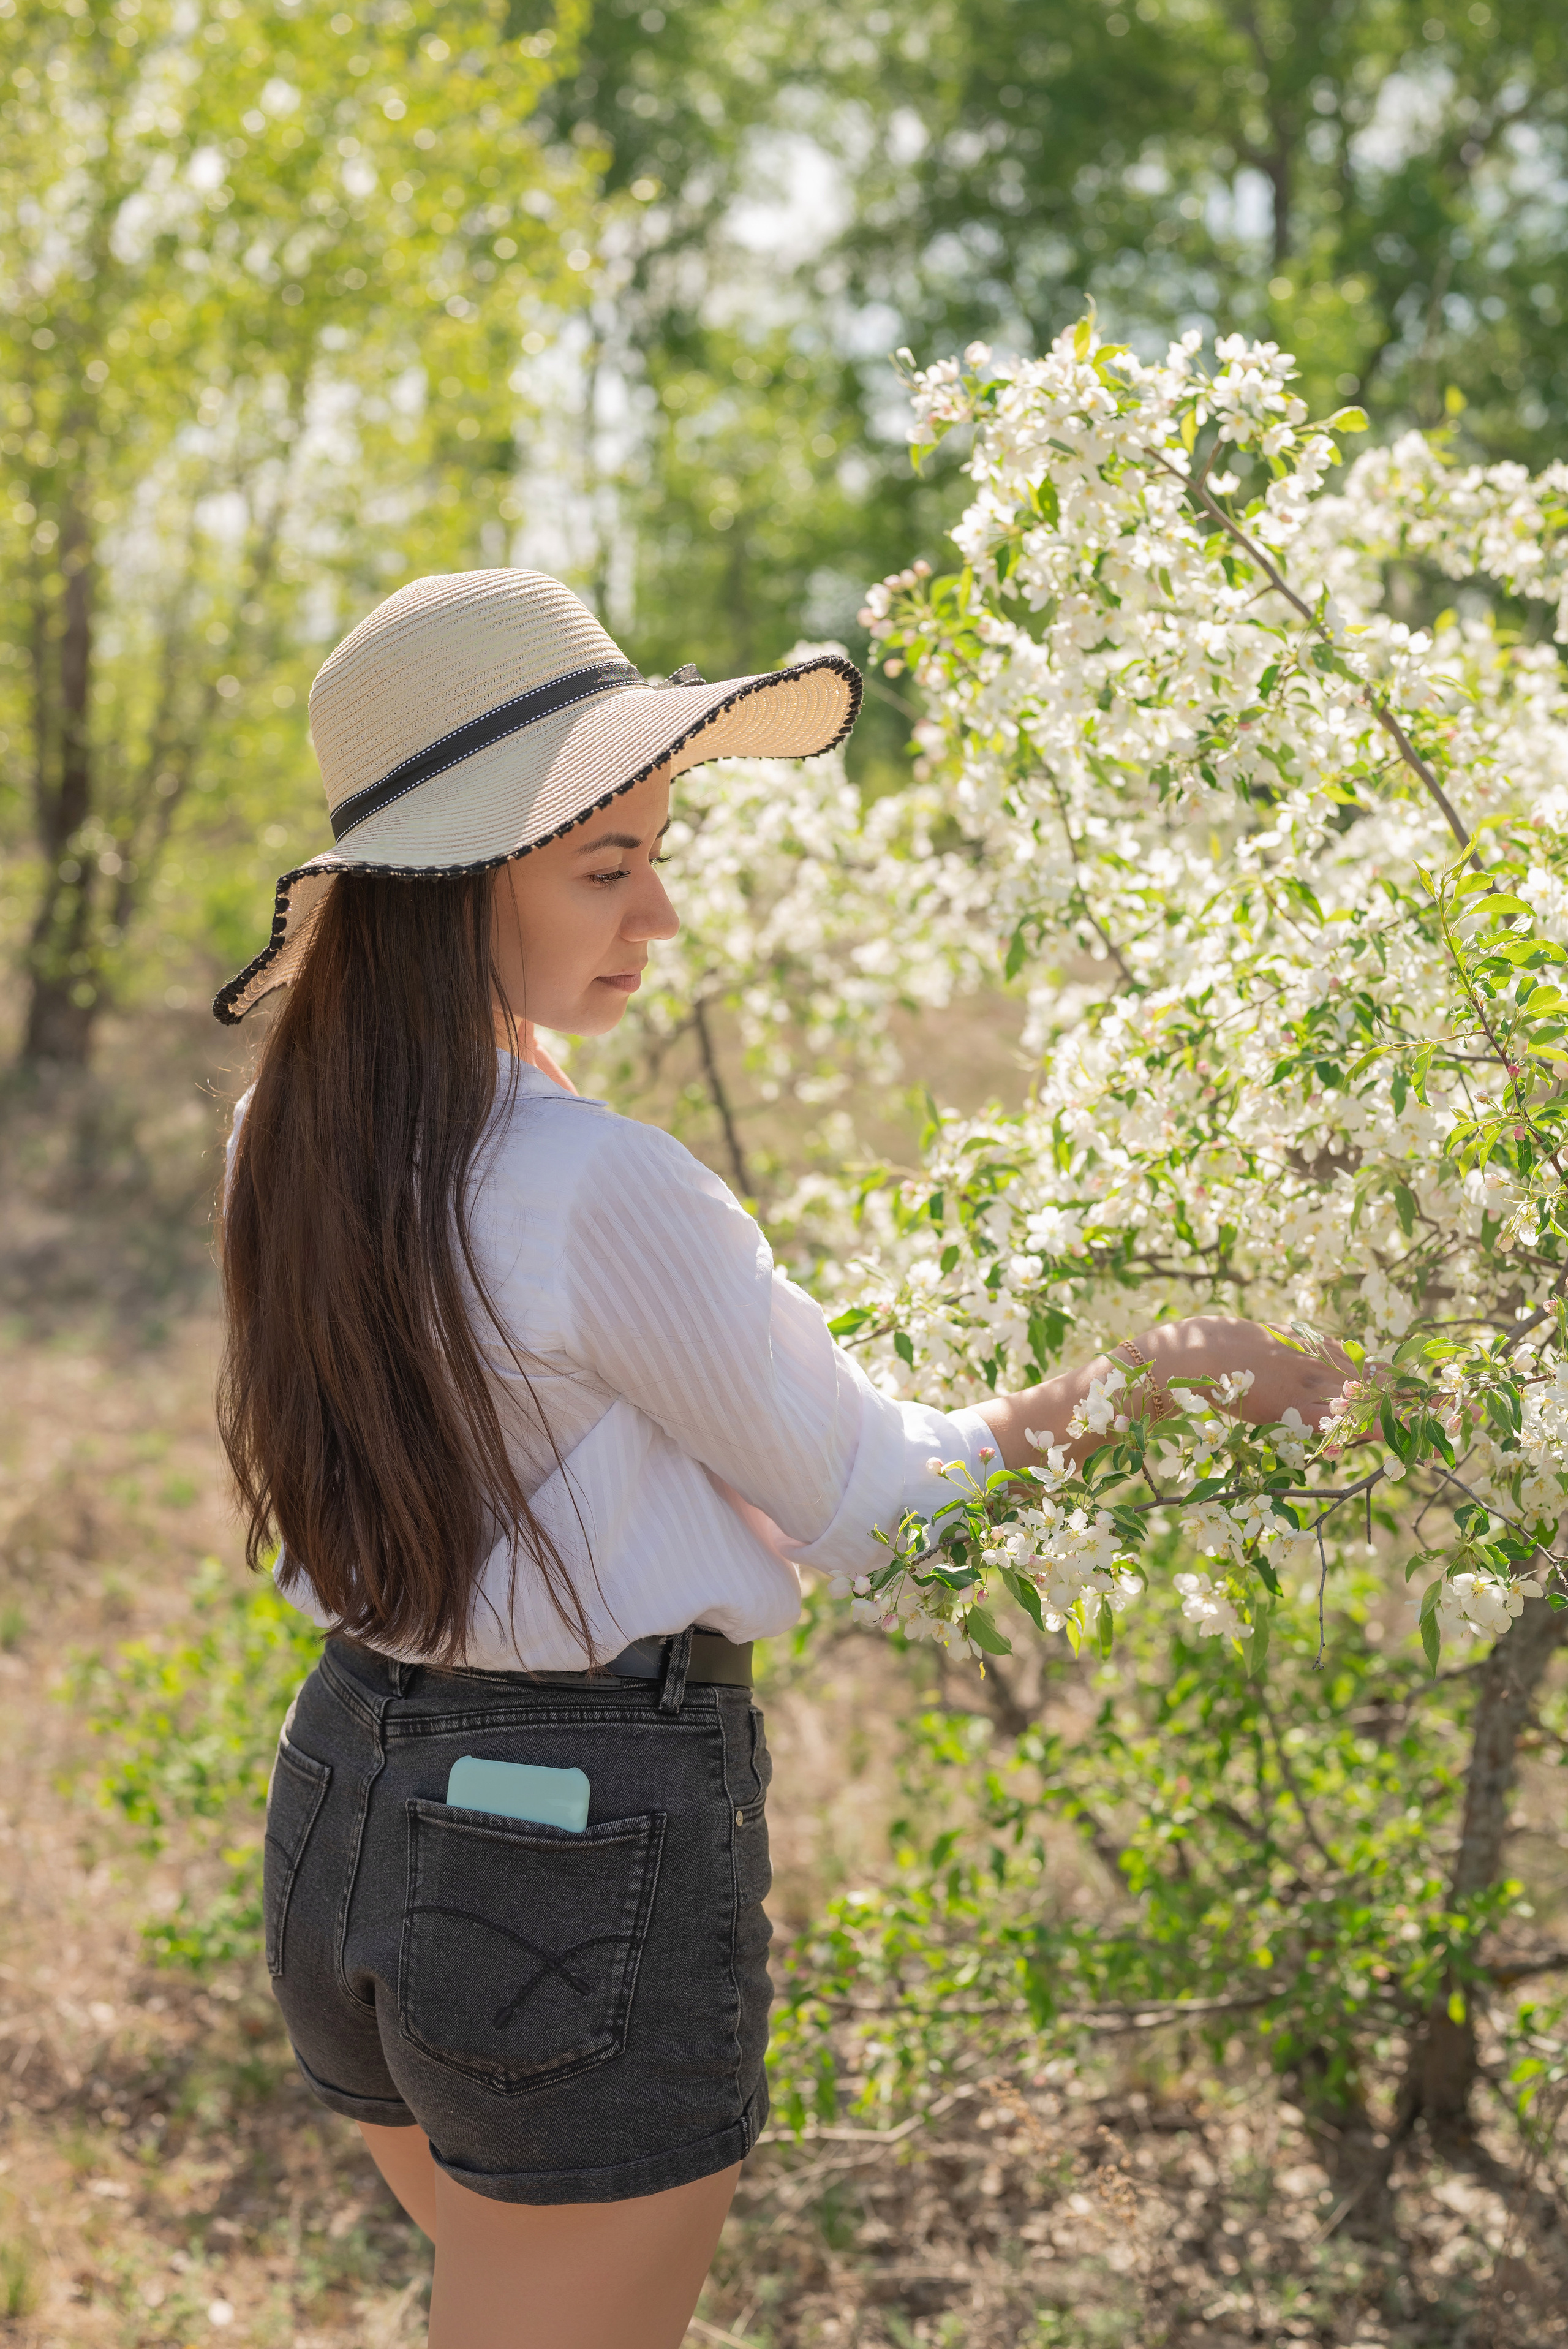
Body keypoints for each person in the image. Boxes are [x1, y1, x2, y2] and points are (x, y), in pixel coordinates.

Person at [213, 569, 1349, 2349]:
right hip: (562, 1856)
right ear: (450, 893)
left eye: (657, 849)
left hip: (340, 1801)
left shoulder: (283, 1133)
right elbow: (888, 1515)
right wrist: (1158, 1380)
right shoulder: (596, 1186)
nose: (659, 909)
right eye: (606, 865)